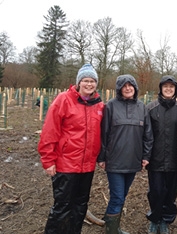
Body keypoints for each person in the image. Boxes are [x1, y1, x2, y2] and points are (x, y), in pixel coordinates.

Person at [38, 63, 104, 234]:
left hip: (87, 166)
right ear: (78, 82)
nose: (89, 84)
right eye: (86, 81)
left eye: (92, 81)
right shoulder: (64, 100)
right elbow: (49, 131)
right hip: (66, 164)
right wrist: (48, 160)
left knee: (80, 206)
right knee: (62, 206)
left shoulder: (98, 105)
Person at [97, 74, 153, 234]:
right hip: (114, 161)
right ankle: (112, 230)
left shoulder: (142, 107)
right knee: (117, 197)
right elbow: (104, 133)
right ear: (119, 89)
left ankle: (110, 223)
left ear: (135, 88)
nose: (128, 88)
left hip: (133, 160)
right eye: (124, 86)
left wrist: (145, 156)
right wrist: (102, 157)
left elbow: (148, 135)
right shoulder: (111, 106)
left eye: (131, 85)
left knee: (122, 195)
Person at [145, 75, 177, 234]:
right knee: (155, 192)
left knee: (170, 193)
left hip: (175, 161)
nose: (168, 89)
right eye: (165, 86)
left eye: (172, 87)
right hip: (155, 161)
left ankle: (165, 221)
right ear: (161, 89)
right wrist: (145, 156)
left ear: (176, 90)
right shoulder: (150, 108)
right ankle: (154, 220)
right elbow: (145, 135)